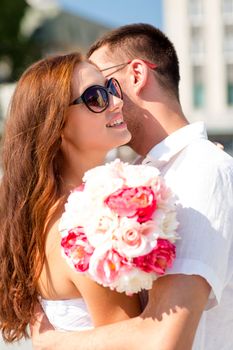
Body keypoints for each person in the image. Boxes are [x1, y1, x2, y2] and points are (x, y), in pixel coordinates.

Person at [31, 23, 233, 350]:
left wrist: (51, 342)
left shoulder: (202, 168)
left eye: (106, 85)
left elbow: (165, 338)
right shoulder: (137, 177)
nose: (109, 102)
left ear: (136, 75)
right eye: (95, 95)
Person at [0, 52, 142, 343]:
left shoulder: (45, 211)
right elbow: (133, 343)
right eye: (95, 97)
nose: (116, 102)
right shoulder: (85, 226)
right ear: (57, 123)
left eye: (111, 88)